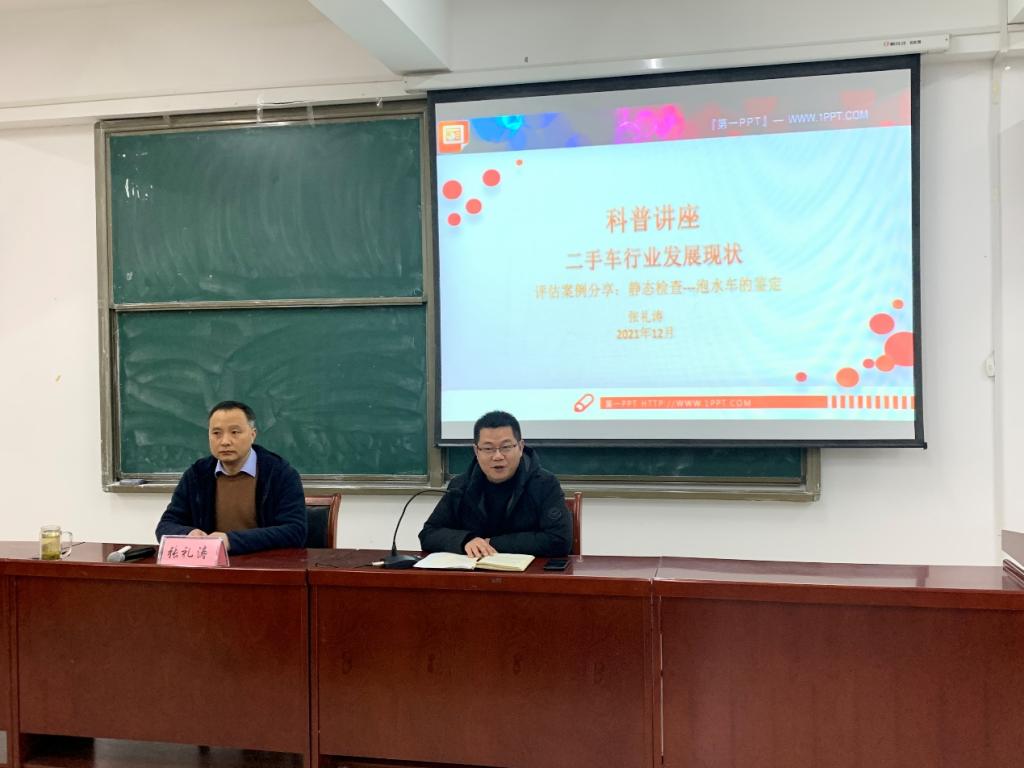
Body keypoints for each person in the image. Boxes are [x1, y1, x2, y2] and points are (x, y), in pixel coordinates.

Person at [155, 400, 307, 555]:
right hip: (210, 564)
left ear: (253, 434)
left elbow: (295, 531)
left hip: (264, 564)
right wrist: (188, 534)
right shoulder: (197, 475)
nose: (225, 442)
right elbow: (166, 525)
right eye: (216, 433)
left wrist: (231, 541)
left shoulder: (280, 474)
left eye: (235, 432)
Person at [419, 410, 572, 557]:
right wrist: (466, 540)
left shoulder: (544, 484)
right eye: (488, 448)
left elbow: (559, 540)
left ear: (520, 447)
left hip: (529, 572)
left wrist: (492, 543)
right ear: (476, 451)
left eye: (506, 447)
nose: (498, 456)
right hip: (474, 572)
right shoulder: (460, 486)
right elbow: (428, 534)